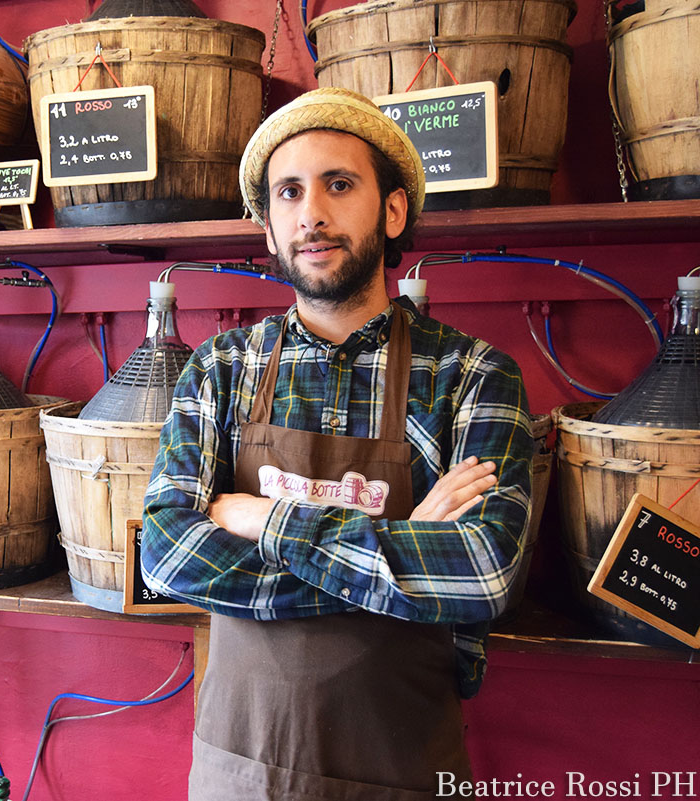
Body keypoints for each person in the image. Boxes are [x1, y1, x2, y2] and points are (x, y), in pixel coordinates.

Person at [140, 87, 534, 800]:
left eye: (339, 184)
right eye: (287, 192)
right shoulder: (222, 368)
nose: (311, 213)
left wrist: (264, 520)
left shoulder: (473, 374)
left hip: (403, 768)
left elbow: (482, 573)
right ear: (267, 225)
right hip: (240, 768)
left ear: (392, 210)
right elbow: (167, 557)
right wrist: (403, 556)